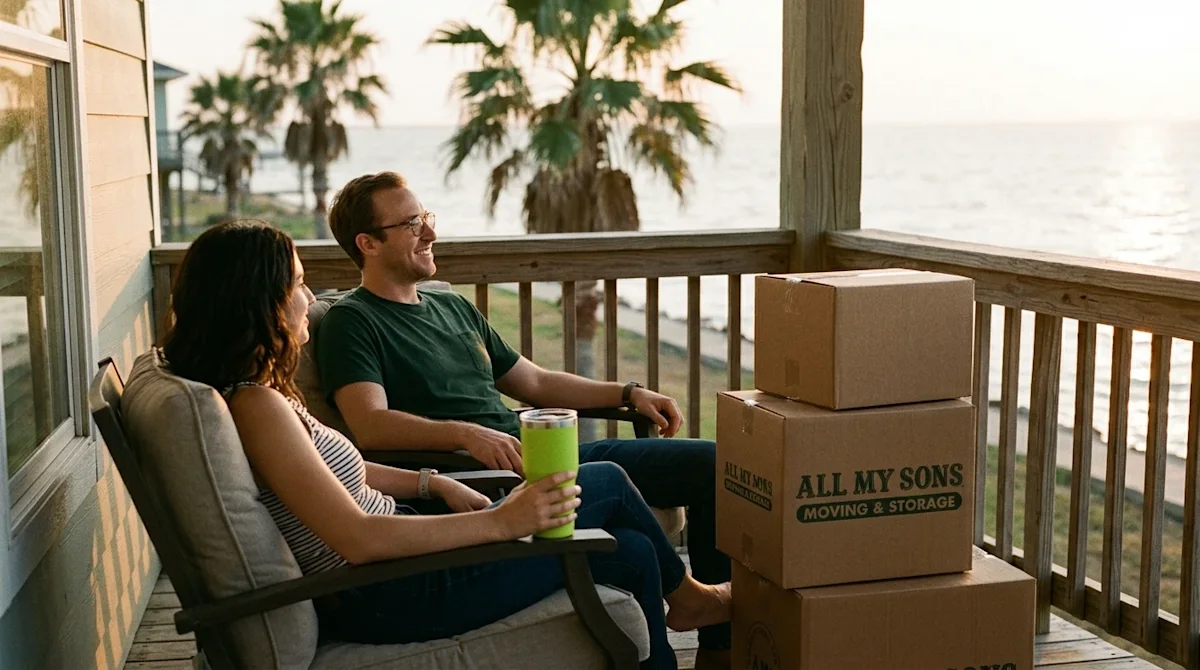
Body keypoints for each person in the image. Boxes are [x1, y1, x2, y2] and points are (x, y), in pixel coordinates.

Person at [161, 220, 731, 670]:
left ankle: (684, 618)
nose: (308, 297)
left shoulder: (259, 395)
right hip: (387, 593)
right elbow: (357, 538)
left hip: (401, 568)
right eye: (297, 283)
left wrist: (435, 483)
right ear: (260, 302)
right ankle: (693, 601)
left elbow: (350, 469)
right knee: (604, 481)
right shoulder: (255, 406)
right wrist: (503, 522)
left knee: (628, 548)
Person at [316, 171, 731, 667]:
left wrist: (627, 392)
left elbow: (532, 382)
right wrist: (465, 434)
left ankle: (720, 651)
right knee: (628, 523)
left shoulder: (451, 305)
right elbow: (370, 424)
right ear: (368, 243)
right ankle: (690, 600)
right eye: (411, 224)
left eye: (425, 217)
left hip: (541, 453)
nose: (430, 233)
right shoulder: (352, 321)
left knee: (714, 464)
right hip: (483, 480)